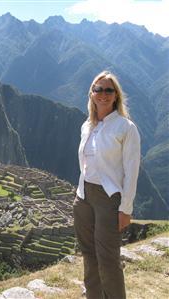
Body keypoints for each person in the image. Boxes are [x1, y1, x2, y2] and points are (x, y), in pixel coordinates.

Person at [73, 70, 141, 299]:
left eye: (108, 90)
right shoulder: (87, 126)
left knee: (108, 258)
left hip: (108, 198)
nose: (103, 94)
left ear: (116, 95)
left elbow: (132, 171)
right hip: (83, 197)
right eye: (98, 89)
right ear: (91, 94)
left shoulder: (125, 128)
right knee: (89, 254)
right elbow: (86, 164)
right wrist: (80, 195)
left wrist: (126, 209)